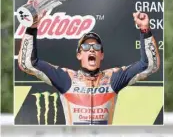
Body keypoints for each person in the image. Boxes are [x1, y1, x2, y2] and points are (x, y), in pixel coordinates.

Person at [18, 11, 160, 125]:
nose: (91, 50)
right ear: (79, 55)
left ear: (101, 55)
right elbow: (28, 63)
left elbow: (149, 66)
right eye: (86, 47)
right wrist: (31, 28)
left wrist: (145, 29)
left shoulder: (113, 78)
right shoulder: (66, 78)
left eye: (96, 47)